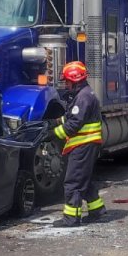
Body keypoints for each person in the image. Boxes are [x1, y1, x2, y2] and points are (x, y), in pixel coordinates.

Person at [53, 61, 105, 227]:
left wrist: (53, 134)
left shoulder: (83, 97)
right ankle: (97, 210)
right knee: (85, 179)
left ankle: (71, 218)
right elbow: (72, 117)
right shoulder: (84, 94)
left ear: (75, 80)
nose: (66, 85)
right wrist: (56, 121)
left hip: (83, 145)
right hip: (86, 144)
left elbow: (74, 124)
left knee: (73, 182)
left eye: (67, 82)